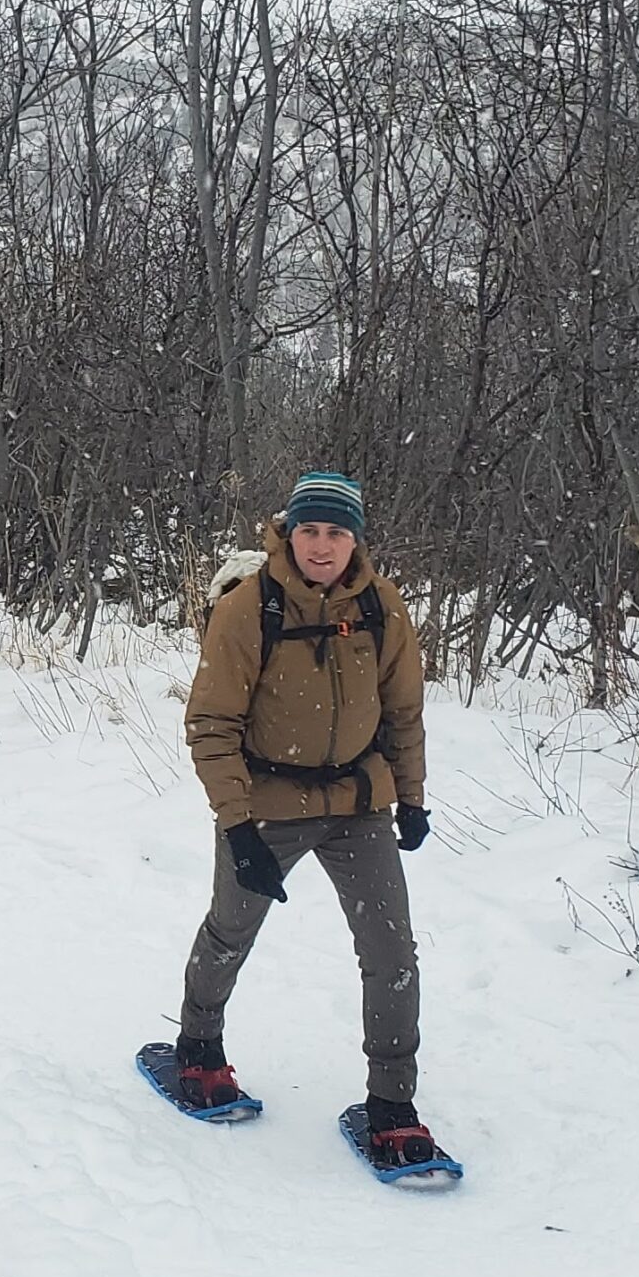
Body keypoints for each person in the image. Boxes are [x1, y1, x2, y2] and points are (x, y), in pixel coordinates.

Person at [169, 470, 446, 1169]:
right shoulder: (248, 608)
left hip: (358, 804)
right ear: (289, 531)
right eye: (310, 530)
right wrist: (236, 826)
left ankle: (393, 1104)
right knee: (231, 928)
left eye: (337, 531)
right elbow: (211, 723)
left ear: (356, 539)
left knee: (393, 956)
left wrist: (409, 797)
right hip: (266, 803)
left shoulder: (382, 607)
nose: (322, 546)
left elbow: (403, 711)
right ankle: (199, 1045)